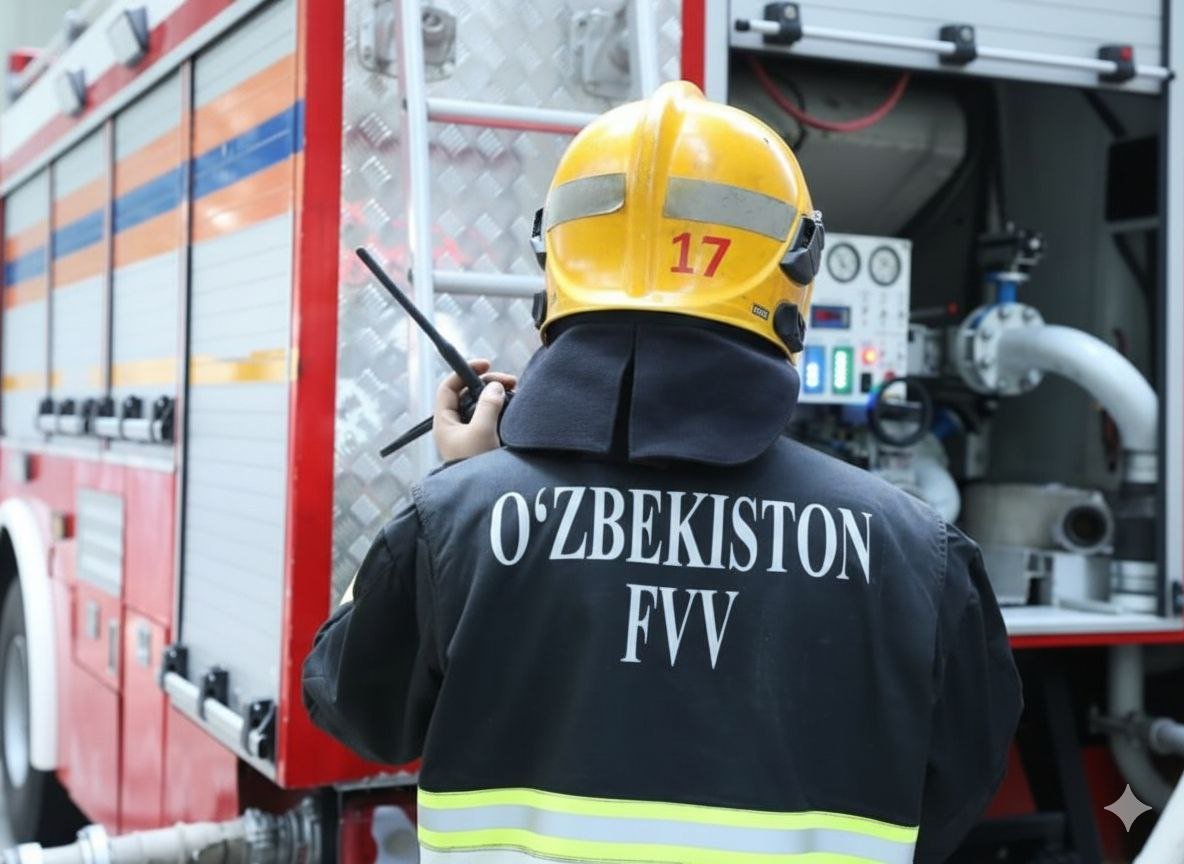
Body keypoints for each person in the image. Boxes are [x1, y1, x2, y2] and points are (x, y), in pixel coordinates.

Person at [303, 80, 1022, 864]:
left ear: (557, 262)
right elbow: (954, 787)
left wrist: (459, 497)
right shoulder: (917, 554)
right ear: (793, 268)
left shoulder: (457, 517)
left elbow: (355, 709)